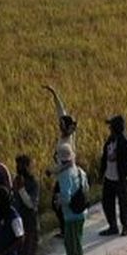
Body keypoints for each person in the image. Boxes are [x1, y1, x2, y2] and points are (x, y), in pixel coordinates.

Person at [44, 85, 77, 238]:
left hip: (66, 174)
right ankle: (66, 229)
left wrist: (52, 170)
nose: (60, 127)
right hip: (61, 173)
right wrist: (54, 93)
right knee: (59, 203)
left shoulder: (68, 141)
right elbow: (61, 111)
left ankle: (67, 230)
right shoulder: (64, 134)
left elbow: (68, 163)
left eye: (62, 126)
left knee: (59, 203)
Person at [55, 143, 89, 255]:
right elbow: (86, 188)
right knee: (69, 242)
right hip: (81, 212)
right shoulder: (80, 171)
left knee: (75, 245)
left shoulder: (64, 175)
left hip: (71, 215)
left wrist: (58, 201)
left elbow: (66, 198)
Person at [99, 115, 127, 236]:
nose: (109, 128)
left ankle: (125, 226)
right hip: (109, 177)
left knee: (123, 203)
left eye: (111, 126)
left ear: (116, 128)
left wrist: (122, 174)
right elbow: (104, 157)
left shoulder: (125, 143)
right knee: (107, 203)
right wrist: (102, 173)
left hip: (121, 179)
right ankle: (113, 226)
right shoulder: (110, 140)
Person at [13, 154, 41, 255]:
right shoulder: (16, 180)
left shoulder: (33, 182)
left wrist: (21, 189)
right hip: (19, 221)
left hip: (30, 220)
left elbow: (31, 204)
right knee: (20, 253)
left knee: (29, 253)